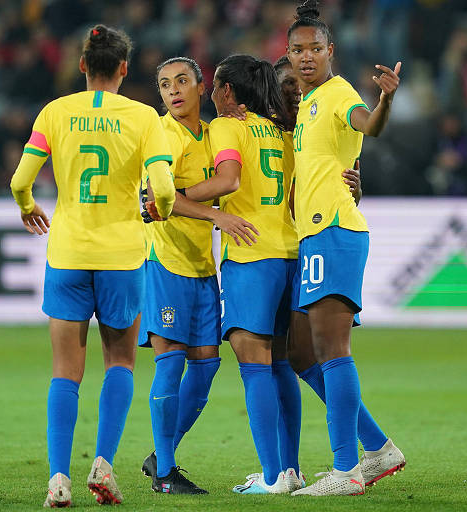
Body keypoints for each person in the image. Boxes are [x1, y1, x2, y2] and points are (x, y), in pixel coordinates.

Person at [9, 25, 176, 507]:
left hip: (68, 254)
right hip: (123, 255)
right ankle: (102, 464)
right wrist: (160, 212)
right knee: (120, 362)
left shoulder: (55, 112)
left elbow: (22, 179)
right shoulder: (145, 117)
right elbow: (162, 190)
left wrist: (26, 205)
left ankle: (58, 479)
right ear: (124, 68)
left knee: (66, 370)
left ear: (82, 65)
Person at [286, 0, 406, 496]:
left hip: (334, 230)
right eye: (298, 49)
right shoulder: (305, 105)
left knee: (332, 350)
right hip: (314, 235)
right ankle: (377, 448)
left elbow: (367, 125)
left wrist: (385, 102)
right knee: (300, 353)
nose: (307, 56)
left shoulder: (338, 94)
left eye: (316, 48)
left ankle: (345, 470)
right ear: (288, 55)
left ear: (330, 50)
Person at [162, 53, 297, 495]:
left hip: (250, 255)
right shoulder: (283, 130)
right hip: (290, 252)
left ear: (226, 91)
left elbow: (228, 180)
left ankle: (274, 476)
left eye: (216, 85)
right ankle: (290, 469)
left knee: (254, 365)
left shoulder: (227, 125)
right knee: (281, 364)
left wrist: (174, 195)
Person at [139, 56, 258, 495]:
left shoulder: (211, 135)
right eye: (165, 83)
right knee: (169, 363)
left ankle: (160, 453)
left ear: (201, 86)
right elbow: (155, 199)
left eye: (182, 81)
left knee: (206, 365)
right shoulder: (163, 137)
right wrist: (215, 216)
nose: (174, 90)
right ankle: (167, 473)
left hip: (202, 265)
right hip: (165, 260)